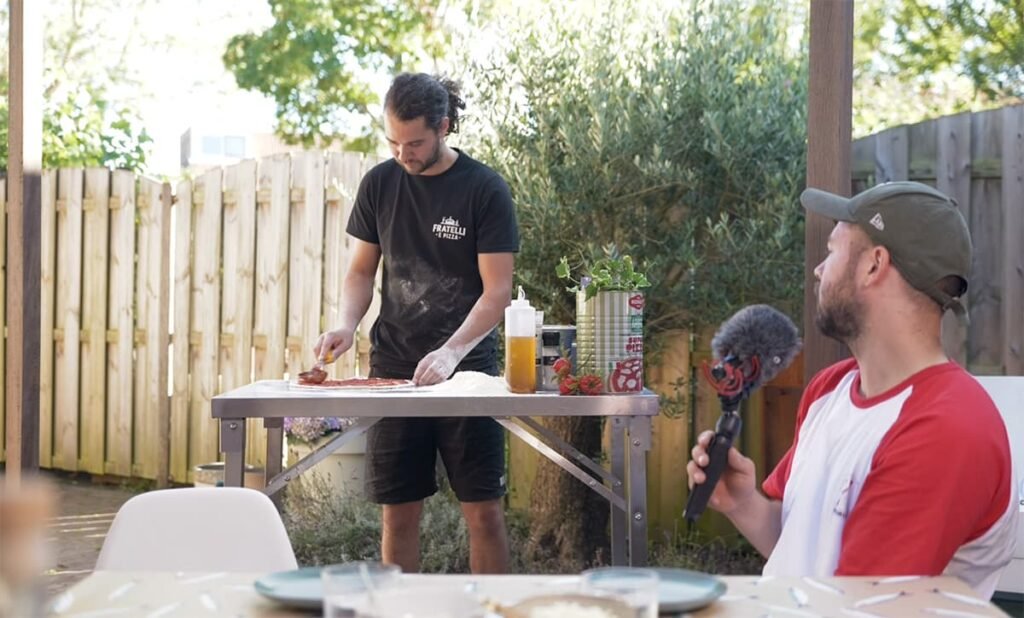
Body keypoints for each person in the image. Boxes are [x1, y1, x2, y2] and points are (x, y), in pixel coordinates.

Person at [686, 181, 1018, 597]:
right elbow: (802, 549)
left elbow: (858, 606)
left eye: (832, 250)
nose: (819, 269)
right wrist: (743, 503)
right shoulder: (833, 388)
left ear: (873, 265)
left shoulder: (946, 429)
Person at [314, 73, 518, 574]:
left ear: (444, 126)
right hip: (395, 369)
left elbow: (498, 292)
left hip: (469, 371)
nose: (403, 153)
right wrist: (346, 324)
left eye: (415, 143)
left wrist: (451, 352)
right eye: (393, 142)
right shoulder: (379, 184)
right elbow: (361, 272)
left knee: (484, 515)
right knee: (398, 516)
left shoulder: (484, 189)